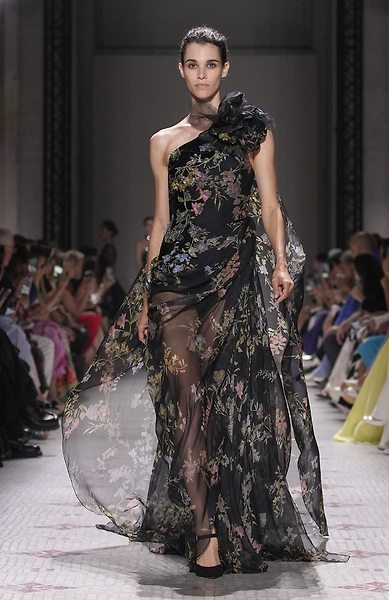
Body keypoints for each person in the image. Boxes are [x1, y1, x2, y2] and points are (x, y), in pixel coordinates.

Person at [62, 26, 348, 577]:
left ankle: (231, 517)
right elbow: (162, 222)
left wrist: (281, 263)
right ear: (181, 70)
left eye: (210, 64)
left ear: (225, 68)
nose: (201, 74)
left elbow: (269, 206)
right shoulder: (163, 142)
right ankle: (204, 530)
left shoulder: (253, 131)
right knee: (188, 405)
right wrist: (145, 297)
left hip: (234, 282)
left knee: (230, 407)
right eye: (192, 64)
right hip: (174, 286)